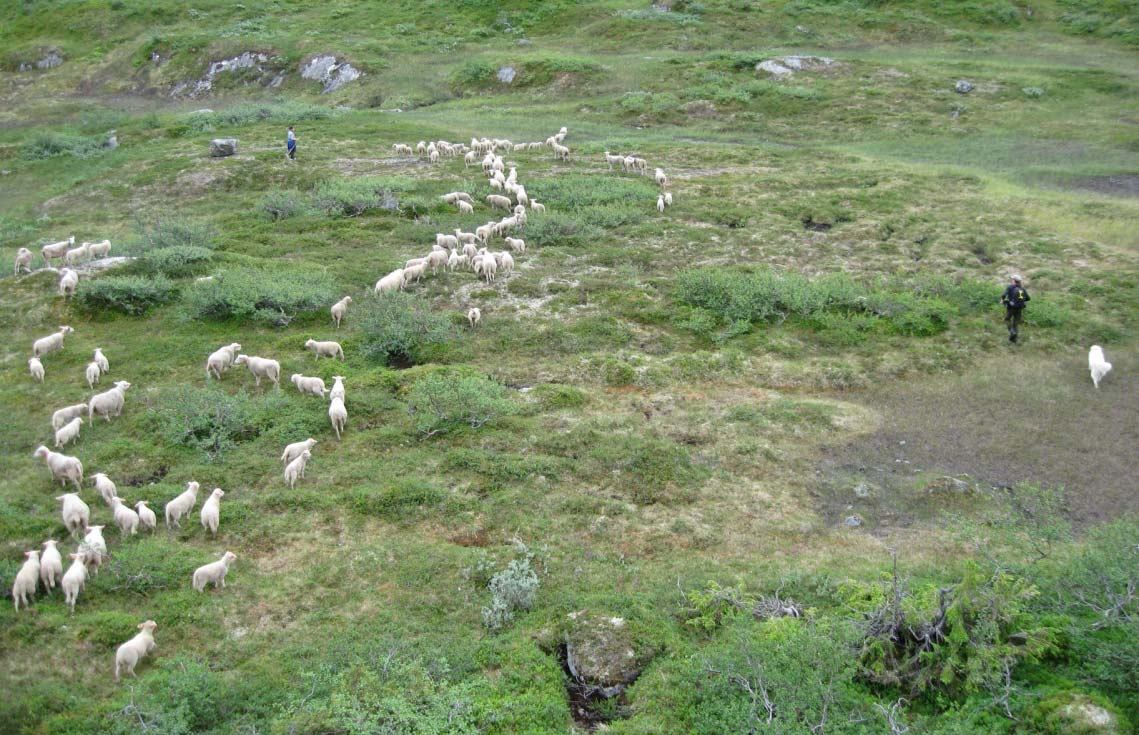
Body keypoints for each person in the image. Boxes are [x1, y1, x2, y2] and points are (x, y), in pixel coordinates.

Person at [999, 273, 1030, 343]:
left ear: (1014, 280)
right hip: (1020, 308)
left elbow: (1004, 294)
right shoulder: (1022, 289)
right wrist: (1021, 302)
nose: (1011, 280)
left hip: (1011, 307)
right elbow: (1028, 298)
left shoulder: (1010, 287)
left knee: (1007, 319)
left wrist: (1002, 300)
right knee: (1015, 324)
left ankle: (1012, 332)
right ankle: (1014, 341)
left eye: (1012, 279)